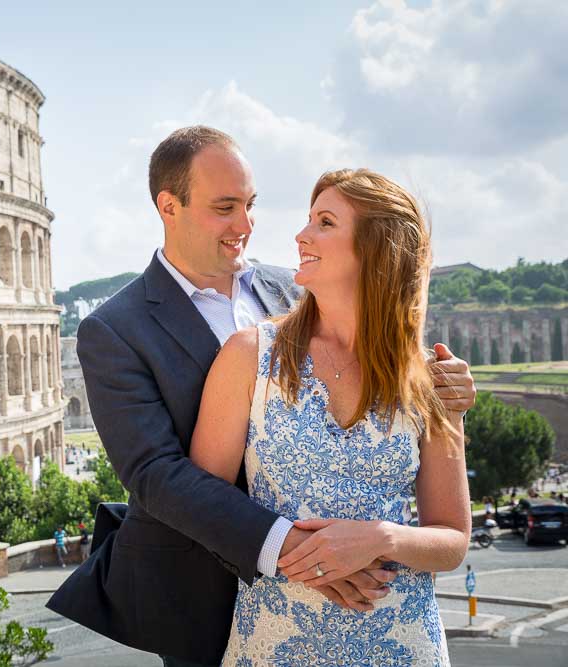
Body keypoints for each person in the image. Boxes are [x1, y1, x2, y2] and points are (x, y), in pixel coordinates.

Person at [46, 126, 477, 666]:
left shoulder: (300, 286)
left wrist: (446, 392)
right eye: (225, 207)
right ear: (168, 206)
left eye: (251, 205)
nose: (247, 226)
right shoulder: (117, 329)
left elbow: (450, 530)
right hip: (218, 599)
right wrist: (306, 555)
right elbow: (158, 474)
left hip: (394, 625)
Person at [190, 168, 470, 665]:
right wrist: (306, 558)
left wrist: (382, 538)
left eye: (324, 222)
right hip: (275, 644)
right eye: (308, 219)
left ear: (375, 248)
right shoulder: (250, 356)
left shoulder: (428, 378)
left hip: (403, 646)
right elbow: (204, 506)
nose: (301, 235)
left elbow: (452, 539)